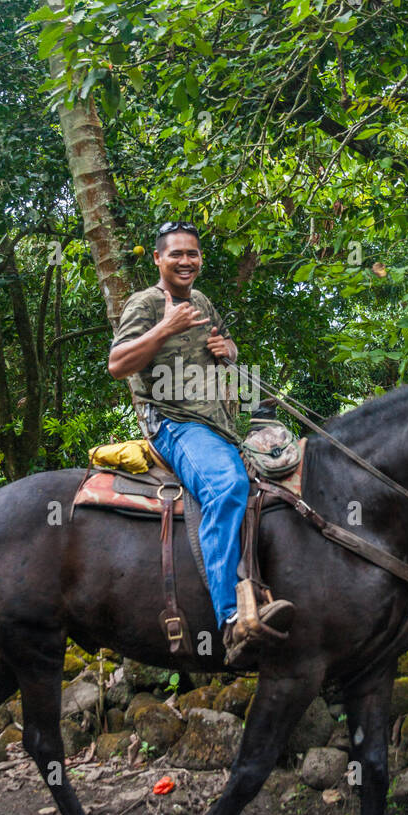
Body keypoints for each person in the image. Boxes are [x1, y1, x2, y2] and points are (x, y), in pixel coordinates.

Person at [107, 220, 294, 666]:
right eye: (176, 254)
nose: (185, 261)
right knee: (226, 488)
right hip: (174, 423)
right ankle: (232, 619)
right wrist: (164, 329)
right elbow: (117, 364)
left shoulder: (203, 301)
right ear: (158, 258)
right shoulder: (147, 304)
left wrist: (226, 349)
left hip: (221, 424)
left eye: (192, 254)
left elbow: (220, 348)